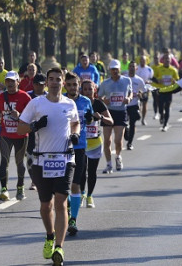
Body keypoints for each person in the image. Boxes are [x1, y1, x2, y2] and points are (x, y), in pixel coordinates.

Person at [17, 67, 80, 266]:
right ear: (47, 83)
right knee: (46, 206)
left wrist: (75, 133)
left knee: (61, 201)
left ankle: (59, 247)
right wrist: (35, 126)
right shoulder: (36, 104)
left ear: (62, 82)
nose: (54, 83)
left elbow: (75, 122)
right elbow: (20, 128)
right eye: (51, 79)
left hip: (65, 159)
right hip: (41, 160)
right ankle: (50, 236)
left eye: (57, 79)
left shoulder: (70, 104)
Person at [63, 72, 93, 236]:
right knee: (62, 186)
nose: (73, 87)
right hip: (61, 147)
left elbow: (89, 120)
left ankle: (73, 219)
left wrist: (89, 118)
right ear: (65, 86)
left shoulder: (86, 101)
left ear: (79, 85)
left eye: (75, 85)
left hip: (80, 147)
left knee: (75, 184)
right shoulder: (61, 102)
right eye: (70, 85)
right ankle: (67, 206)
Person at [0, 71, 31, 202]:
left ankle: (20, 186)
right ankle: (4, 189)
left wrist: (20, 115)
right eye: (7, 81)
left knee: (19, 162)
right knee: (4, 161)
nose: (10, 83)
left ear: (18, 82)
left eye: (12, 81)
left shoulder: (25, 97)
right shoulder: (1, 97)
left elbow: (32, 117)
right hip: (5, 134)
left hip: (21, 135)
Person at [79, 80, 112, 209]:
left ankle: (90, 196)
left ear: (95, 91)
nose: (87, 92)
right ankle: (82, 193)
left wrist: (101, 117)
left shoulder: (99, 104)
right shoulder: (79, 103)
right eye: (85, 89)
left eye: (90, 89)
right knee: (81, 170)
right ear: (81, 90)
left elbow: (111, 120)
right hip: (81, 142)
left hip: (95, 143)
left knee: (92, 171)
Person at [98, 59, 132, 173]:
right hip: (108, 113)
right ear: (110, 71)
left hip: (121, 112)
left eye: (116, 69)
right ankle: (108, 164)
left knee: (118, 140)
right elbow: (98, 97)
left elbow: (130, 92)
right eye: (112, 69)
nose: (115, 71)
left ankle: (118, 156)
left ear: (120, 70)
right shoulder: (105, 83)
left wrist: (129, 98)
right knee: (107, 141)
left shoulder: (127, 81)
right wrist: (104, 101)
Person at [26, 72, 47, 190]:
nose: (39, 87)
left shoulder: (49, 96)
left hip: (45, 132)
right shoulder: (28, 96)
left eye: (42, 84)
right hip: (30, 132)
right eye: (37, 84)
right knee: (30, 157)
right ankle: (34, 181)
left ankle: (44, 178)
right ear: (33, 85)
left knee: (43, 156)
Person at [151, 54, 179, 131]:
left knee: (167, 108)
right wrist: (157, 80)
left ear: (170, 60)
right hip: (160, 91)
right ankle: (161, 115)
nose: (167, 60)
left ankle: (165, 124)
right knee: (160, 108)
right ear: (162, 60)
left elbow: (177, 80)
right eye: (165, 59)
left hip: (169, 91)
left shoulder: (173, 70)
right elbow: (153, 77)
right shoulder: (158, 68)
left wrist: (175, 82)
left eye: (168, 59)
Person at [125, 62, 145, 150]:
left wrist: (141, 94)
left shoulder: (139, 80)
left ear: (136, 68)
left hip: (134, 105)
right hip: (124, 105)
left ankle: (130, 143)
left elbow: (144, 92)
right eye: (130, 66)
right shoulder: (124, 78)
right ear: (128, 68)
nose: (132, 68)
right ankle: (126, 131)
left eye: (133, 66)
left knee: (132, 123)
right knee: (125, 124)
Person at [135, 55, 154, 125]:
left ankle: (143, 119)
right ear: (139, 61)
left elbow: (151, 79)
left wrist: (149, 82)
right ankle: (138, 113)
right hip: (137, 88)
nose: (142, 61)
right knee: (138, 103)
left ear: (146, 61)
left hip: (145, 88)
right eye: (141, 60)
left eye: (144, 60)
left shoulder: (149, 69)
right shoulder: (136, 68)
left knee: (145, 103)